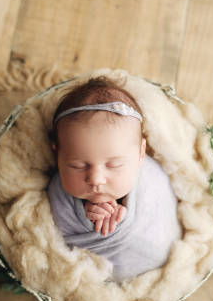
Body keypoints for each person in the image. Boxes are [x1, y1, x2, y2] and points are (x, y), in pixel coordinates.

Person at [47, 76, 181, 282]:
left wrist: (124, 214)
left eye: (113, 165)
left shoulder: (152, 175)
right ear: (57, 155)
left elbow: (163, 209)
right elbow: (51, 238)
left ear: (140, 153)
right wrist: (84, 217)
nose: (96, 179)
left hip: (158, 260)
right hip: (100, 282)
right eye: (78, 165)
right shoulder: (56, 192)